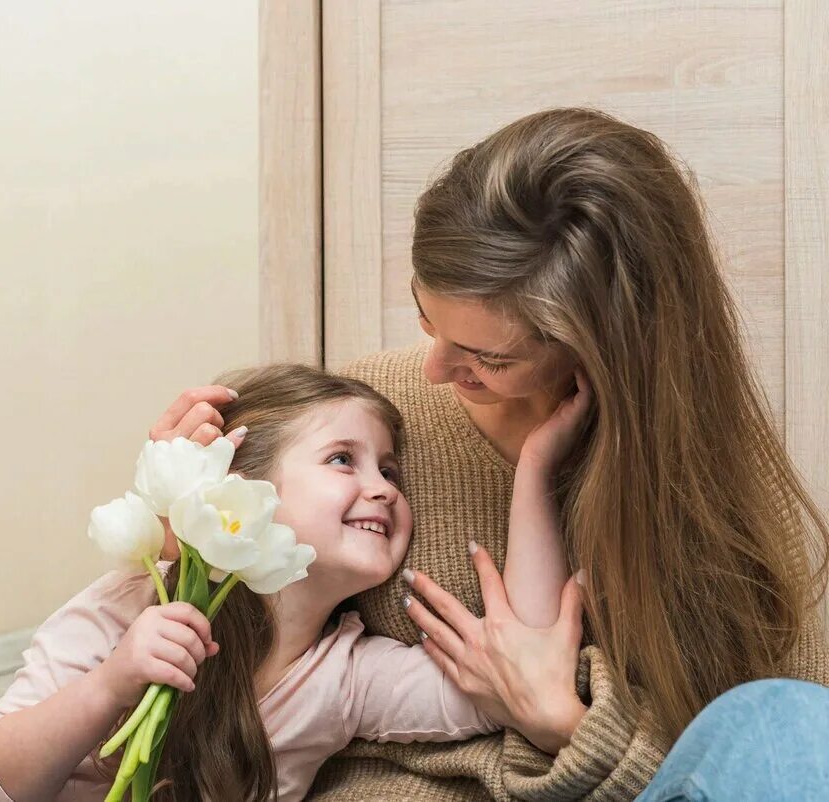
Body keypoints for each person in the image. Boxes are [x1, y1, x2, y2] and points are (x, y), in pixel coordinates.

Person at [151, 108, 829, 800]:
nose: (437, 371)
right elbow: (225, 666)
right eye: (426, 316)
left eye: (488, 358)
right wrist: (185, 523)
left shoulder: (719, 497)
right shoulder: (364, 418)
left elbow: (767, 760)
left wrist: (563, 721)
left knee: (798, 721)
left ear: (600, 351)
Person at [0, 360, 590, 801]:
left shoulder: (347, 679)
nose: (382, 489)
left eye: (391, 471)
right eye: (343, 459)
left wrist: (534, 468)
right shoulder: (131, 602)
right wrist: (110, 684)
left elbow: (522, 673)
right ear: (244, 484)